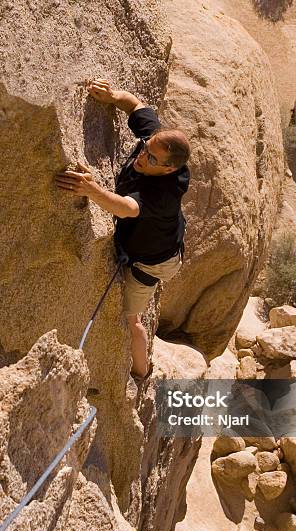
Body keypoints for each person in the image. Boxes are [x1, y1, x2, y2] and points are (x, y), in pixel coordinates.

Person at [56, 79, 191, 381]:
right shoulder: (158, 144)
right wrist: (112, 96)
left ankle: (141, 373)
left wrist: (90, 190)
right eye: (144, 148)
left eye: (151, 159)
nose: (142, 157)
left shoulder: (164, 193)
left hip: (152, 263)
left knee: (132, 320)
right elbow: (135, 105)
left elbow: (126, 209)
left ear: (169, 169)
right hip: (160, 234)